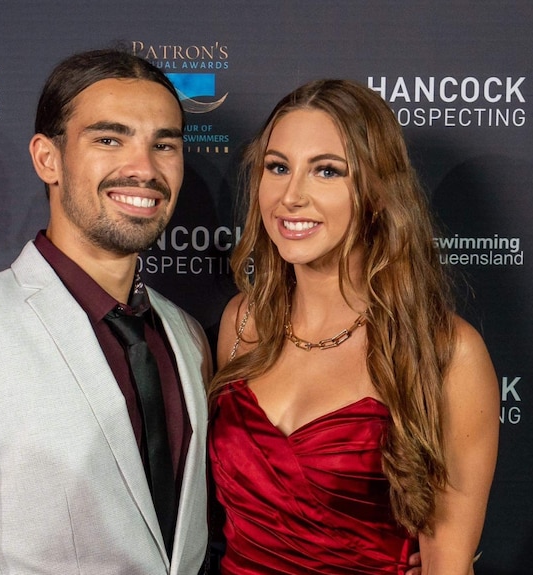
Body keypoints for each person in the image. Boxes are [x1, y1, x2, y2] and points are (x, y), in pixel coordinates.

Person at [0, 49, 211, 574]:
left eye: (163, 144)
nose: (143, 168)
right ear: (48, 158)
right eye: (109, 139)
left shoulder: (185, 335)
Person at [209, 79, 500, 574]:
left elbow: (447, 566)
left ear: (377, 193)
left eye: (326, 171)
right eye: (278, 167)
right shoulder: (242, 321)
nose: (291, 196)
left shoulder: (445, 352)